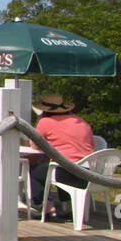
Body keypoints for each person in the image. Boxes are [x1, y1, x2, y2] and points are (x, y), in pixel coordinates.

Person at [27, 93, 95, 221]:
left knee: (33, 172)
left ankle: (48, 208)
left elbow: (34, 146)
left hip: (64, 172)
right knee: (60, 164)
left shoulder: (45, 122)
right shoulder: (81, 121)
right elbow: (92, 145)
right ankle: (70, 209)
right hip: (87, 173)